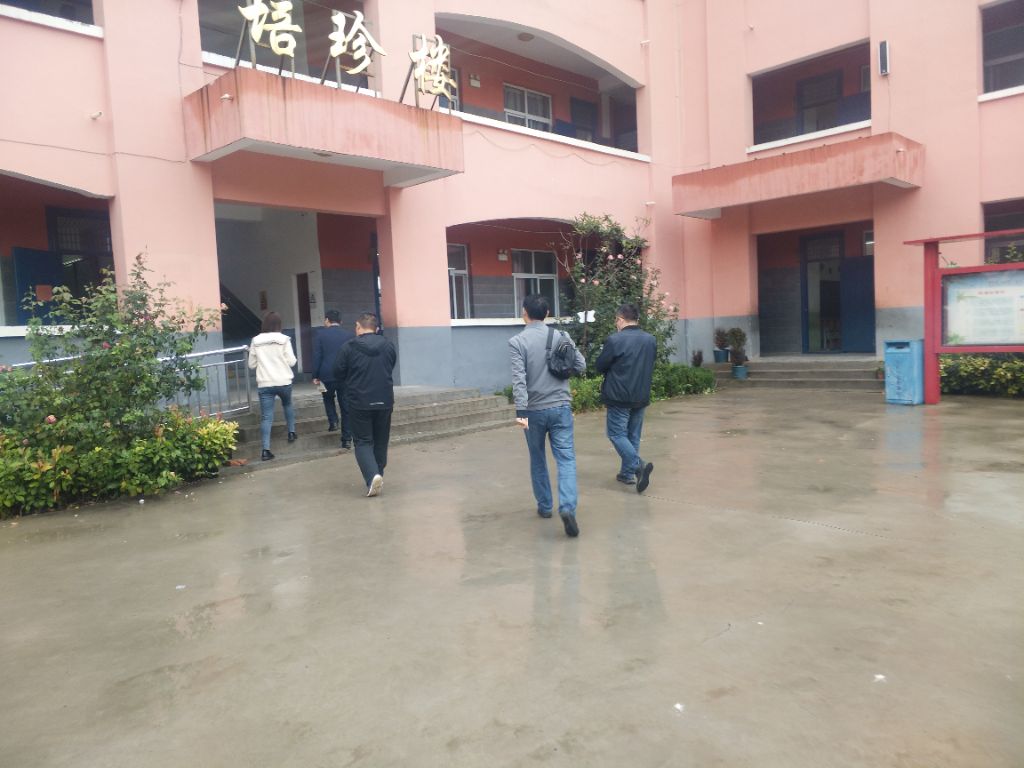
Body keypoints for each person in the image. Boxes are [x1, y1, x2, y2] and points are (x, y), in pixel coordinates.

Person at [509, 294, 586, 537]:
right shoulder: (561, 336)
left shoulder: (517, 342)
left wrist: (521, 415)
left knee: (537, 457)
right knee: (566, 458)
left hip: (531, 411)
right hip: (561, 407)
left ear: (524, 313)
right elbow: (581, 365)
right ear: (548, 313)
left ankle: (544, 506)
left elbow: (519, 381)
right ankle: (568, 507)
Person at [595, 303, 657, 493]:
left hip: (619, 396)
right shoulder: (650, 340)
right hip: (641, 394)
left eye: (616, 321)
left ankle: (638, 465)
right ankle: (627, 474)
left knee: (616, 434)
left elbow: (600, 366)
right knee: (633, 436)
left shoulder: (615, 340)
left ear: (620, 319)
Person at [333, 312, 396, 497]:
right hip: (384, 400)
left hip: (359, 401)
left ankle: (372, 477)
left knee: (363, 441)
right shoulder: (388, 345)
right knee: (381, 440)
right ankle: (378, 475)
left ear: (358, 327)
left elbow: (338, 372)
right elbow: (390, 365)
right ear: (376, 328)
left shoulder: (348, 347)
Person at [247, 311, 297, 461]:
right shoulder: (284, 339)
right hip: (284, 381)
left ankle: (265, 450)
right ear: (279, 324)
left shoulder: (255, 340)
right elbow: (292, 362)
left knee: (266, 417)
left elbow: (251, 365)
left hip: (265, 383)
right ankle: (291, 432)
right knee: (287, 404)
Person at [312, 309, 355, 448]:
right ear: (340, 321)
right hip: (344, 375)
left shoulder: (320, 334)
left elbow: (317, 356)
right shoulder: (349, 335)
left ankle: (333, 421)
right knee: (346, 407)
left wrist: (315, 375)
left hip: (326, 375)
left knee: (327, 398)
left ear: (327, 320)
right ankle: (346, 439)